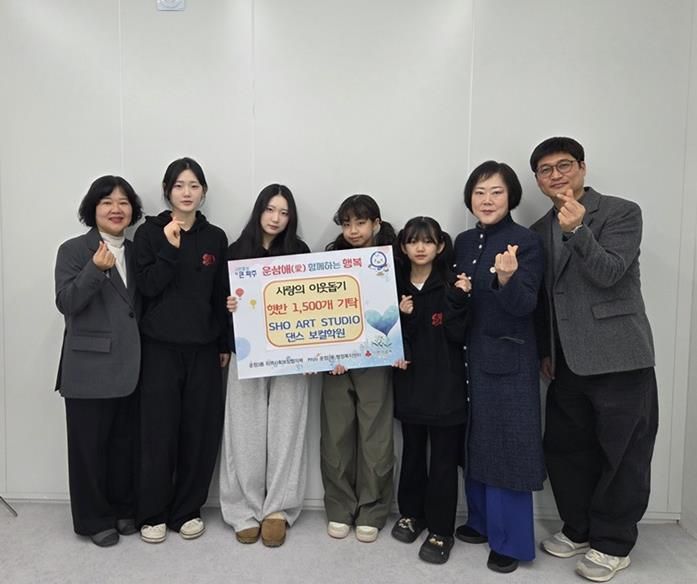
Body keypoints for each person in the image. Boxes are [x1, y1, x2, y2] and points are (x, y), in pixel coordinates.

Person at [529, 137, 658, 582]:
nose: (556, 175)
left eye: (564, 165)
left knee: (623, 454)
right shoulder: (537, 229)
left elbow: (609, 273)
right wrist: (546, 349)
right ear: (538, 180)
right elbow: (545, 299)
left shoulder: (621, 212)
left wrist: (578, 231)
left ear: (582, 167)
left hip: (620, 356)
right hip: (566, 361)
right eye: (546, 170)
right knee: (566, 450)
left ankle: (613, 543)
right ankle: (579, 528)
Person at [453, 161, 545, 573]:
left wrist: (507, 280)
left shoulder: (526, 241)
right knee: (477, 439)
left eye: (496, 192)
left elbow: (526, 305)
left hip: (510, 359)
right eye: (479, 192)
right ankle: (481, 521)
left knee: (510, 444)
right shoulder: (463, 241)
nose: (487, 200)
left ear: (511, 197)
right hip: (469, 355)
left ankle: (512, 542)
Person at [134, 157, 229, 544]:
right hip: (159, 348)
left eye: (194, 185)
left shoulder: (215, 238)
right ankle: (152, 513)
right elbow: (147, 286)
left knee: (199, 432)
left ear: (203, 192)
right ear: (167, 191)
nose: (186, 193)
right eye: (179, 185)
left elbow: (220, 295)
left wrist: (223, 342)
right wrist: (170, 249)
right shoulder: (149, 233)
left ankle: (187, 510)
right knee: (158, 433)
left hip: (203, 349)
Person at [220, 184, 311, 547]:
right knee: (244, 430)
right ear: (259, 211)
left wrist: (313, 353)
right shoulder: (235, 252)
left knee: (287, 429)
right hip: (246, 351)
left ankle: (278, 510)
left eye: (284, 212)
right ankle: (242, 508)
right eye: (270, 209)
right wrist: (228, 307)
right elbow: (217, 302)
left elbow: (312, 306)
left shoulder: (300, 252)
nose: (276, 218)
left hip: (291, 353)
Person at [54, 175, 143, 547]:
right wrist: (94, 269)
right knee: (88, 449)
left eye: (123, 202)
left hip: (131, 365)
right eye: (107, 202)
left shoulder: (138, 250)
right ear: (93, 209)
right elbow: (66, 303)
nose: (116, 209)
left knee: (124, 445)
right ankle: (93, 519)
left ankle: (123, 509)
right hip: (88, 367)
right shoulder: (74, 250)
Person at [390, 216, 469, 564]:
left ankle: (441, 530)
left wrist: (459, 300)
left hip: (447, 388)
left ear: (440, 246)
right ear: (403, 246)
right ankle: (411, 514)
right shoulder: (393, 285)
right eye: (412, 241)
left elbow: (458, 335)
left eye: (427, 241)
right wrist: (404, 317)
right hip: (410, 385)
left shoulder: (453, 283)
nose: (420, 248)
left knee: (443, 462)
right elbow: (384, 339)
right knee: (411, 453)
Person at [321, 194, 397, 543]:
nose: (353, 230)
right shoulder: (328, 259)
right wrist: (324, 354)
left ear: (376, 224)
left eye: (361, 223)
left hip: (376, 358)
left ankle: (373, 509)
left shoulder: (392, 259)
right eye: (347, 223)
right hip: (336, 361)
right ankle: (339, 507)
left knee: (375, 436)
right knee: (336, 435)